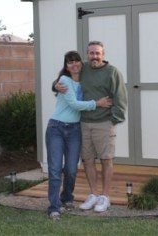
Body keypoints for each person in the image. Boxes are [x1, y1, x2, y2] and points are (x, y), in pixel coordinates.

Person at [54, 41, 127, 213]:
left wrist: (113, 120)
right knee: (87, 160)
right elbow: (64, 76)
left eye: (97, 53)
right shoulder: (83, 68)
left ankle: (105, 196)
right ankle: (93, 194)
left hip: (104, 123)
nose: (94, 56)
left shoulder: (112, 72)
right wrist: (54, 85)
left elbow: (121, 98)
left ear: (103, 54)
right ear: (87, 54)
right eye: (91, 53)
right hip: (84, 123)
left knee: (106, 160)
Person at [46, 50, 112, 220]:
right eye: (70, 62)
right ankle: (54, 207)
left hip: (75, 129)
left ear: (81, 63)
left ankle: (67, 197)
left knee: (71, 169)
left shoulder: (85, 79)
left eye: (76, 61)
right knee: (54, 169)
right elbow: (75, 104)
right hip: (56, 128)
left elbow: (100, 71)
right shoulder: (64, 80)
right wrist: (97, 103)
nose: (74, 64)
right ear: (66, 66)